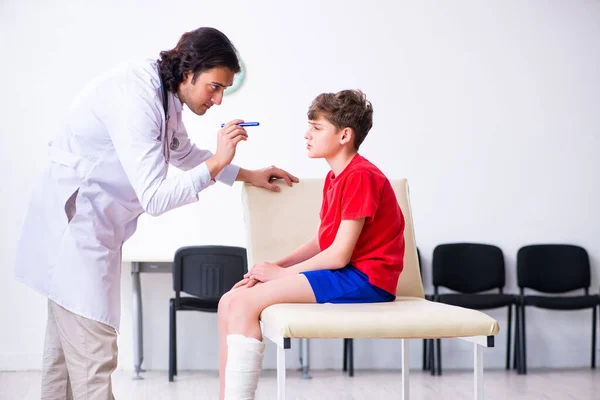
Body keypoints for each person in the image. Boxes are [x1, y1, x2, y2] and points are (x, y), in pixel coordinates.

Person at [14, 27, 298, 399]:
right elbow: (156, 197)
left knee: (64, 363)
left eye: (225, 89)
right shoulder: (136, 97)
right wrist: (217, 161)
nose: (219, 100)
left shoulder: (164, 98)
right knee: (92, 361)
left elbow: (181, 152)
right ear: (188, 73)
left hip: (93, 231)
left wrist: (247, 175)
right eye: (215, 86)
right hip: (77, 232)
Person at [217, 89, 406, 400]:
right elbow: (323, 240)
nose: (307, 134)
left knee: (245, 303)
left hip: (368, 280)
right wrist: (277, 266)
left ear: (345, 135)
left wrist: (279, 275)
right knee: (230, 299)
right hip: (349, 274)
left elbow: (338, 255)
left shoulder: (361, 176)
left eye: (317, 128)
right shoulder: (337, 177)